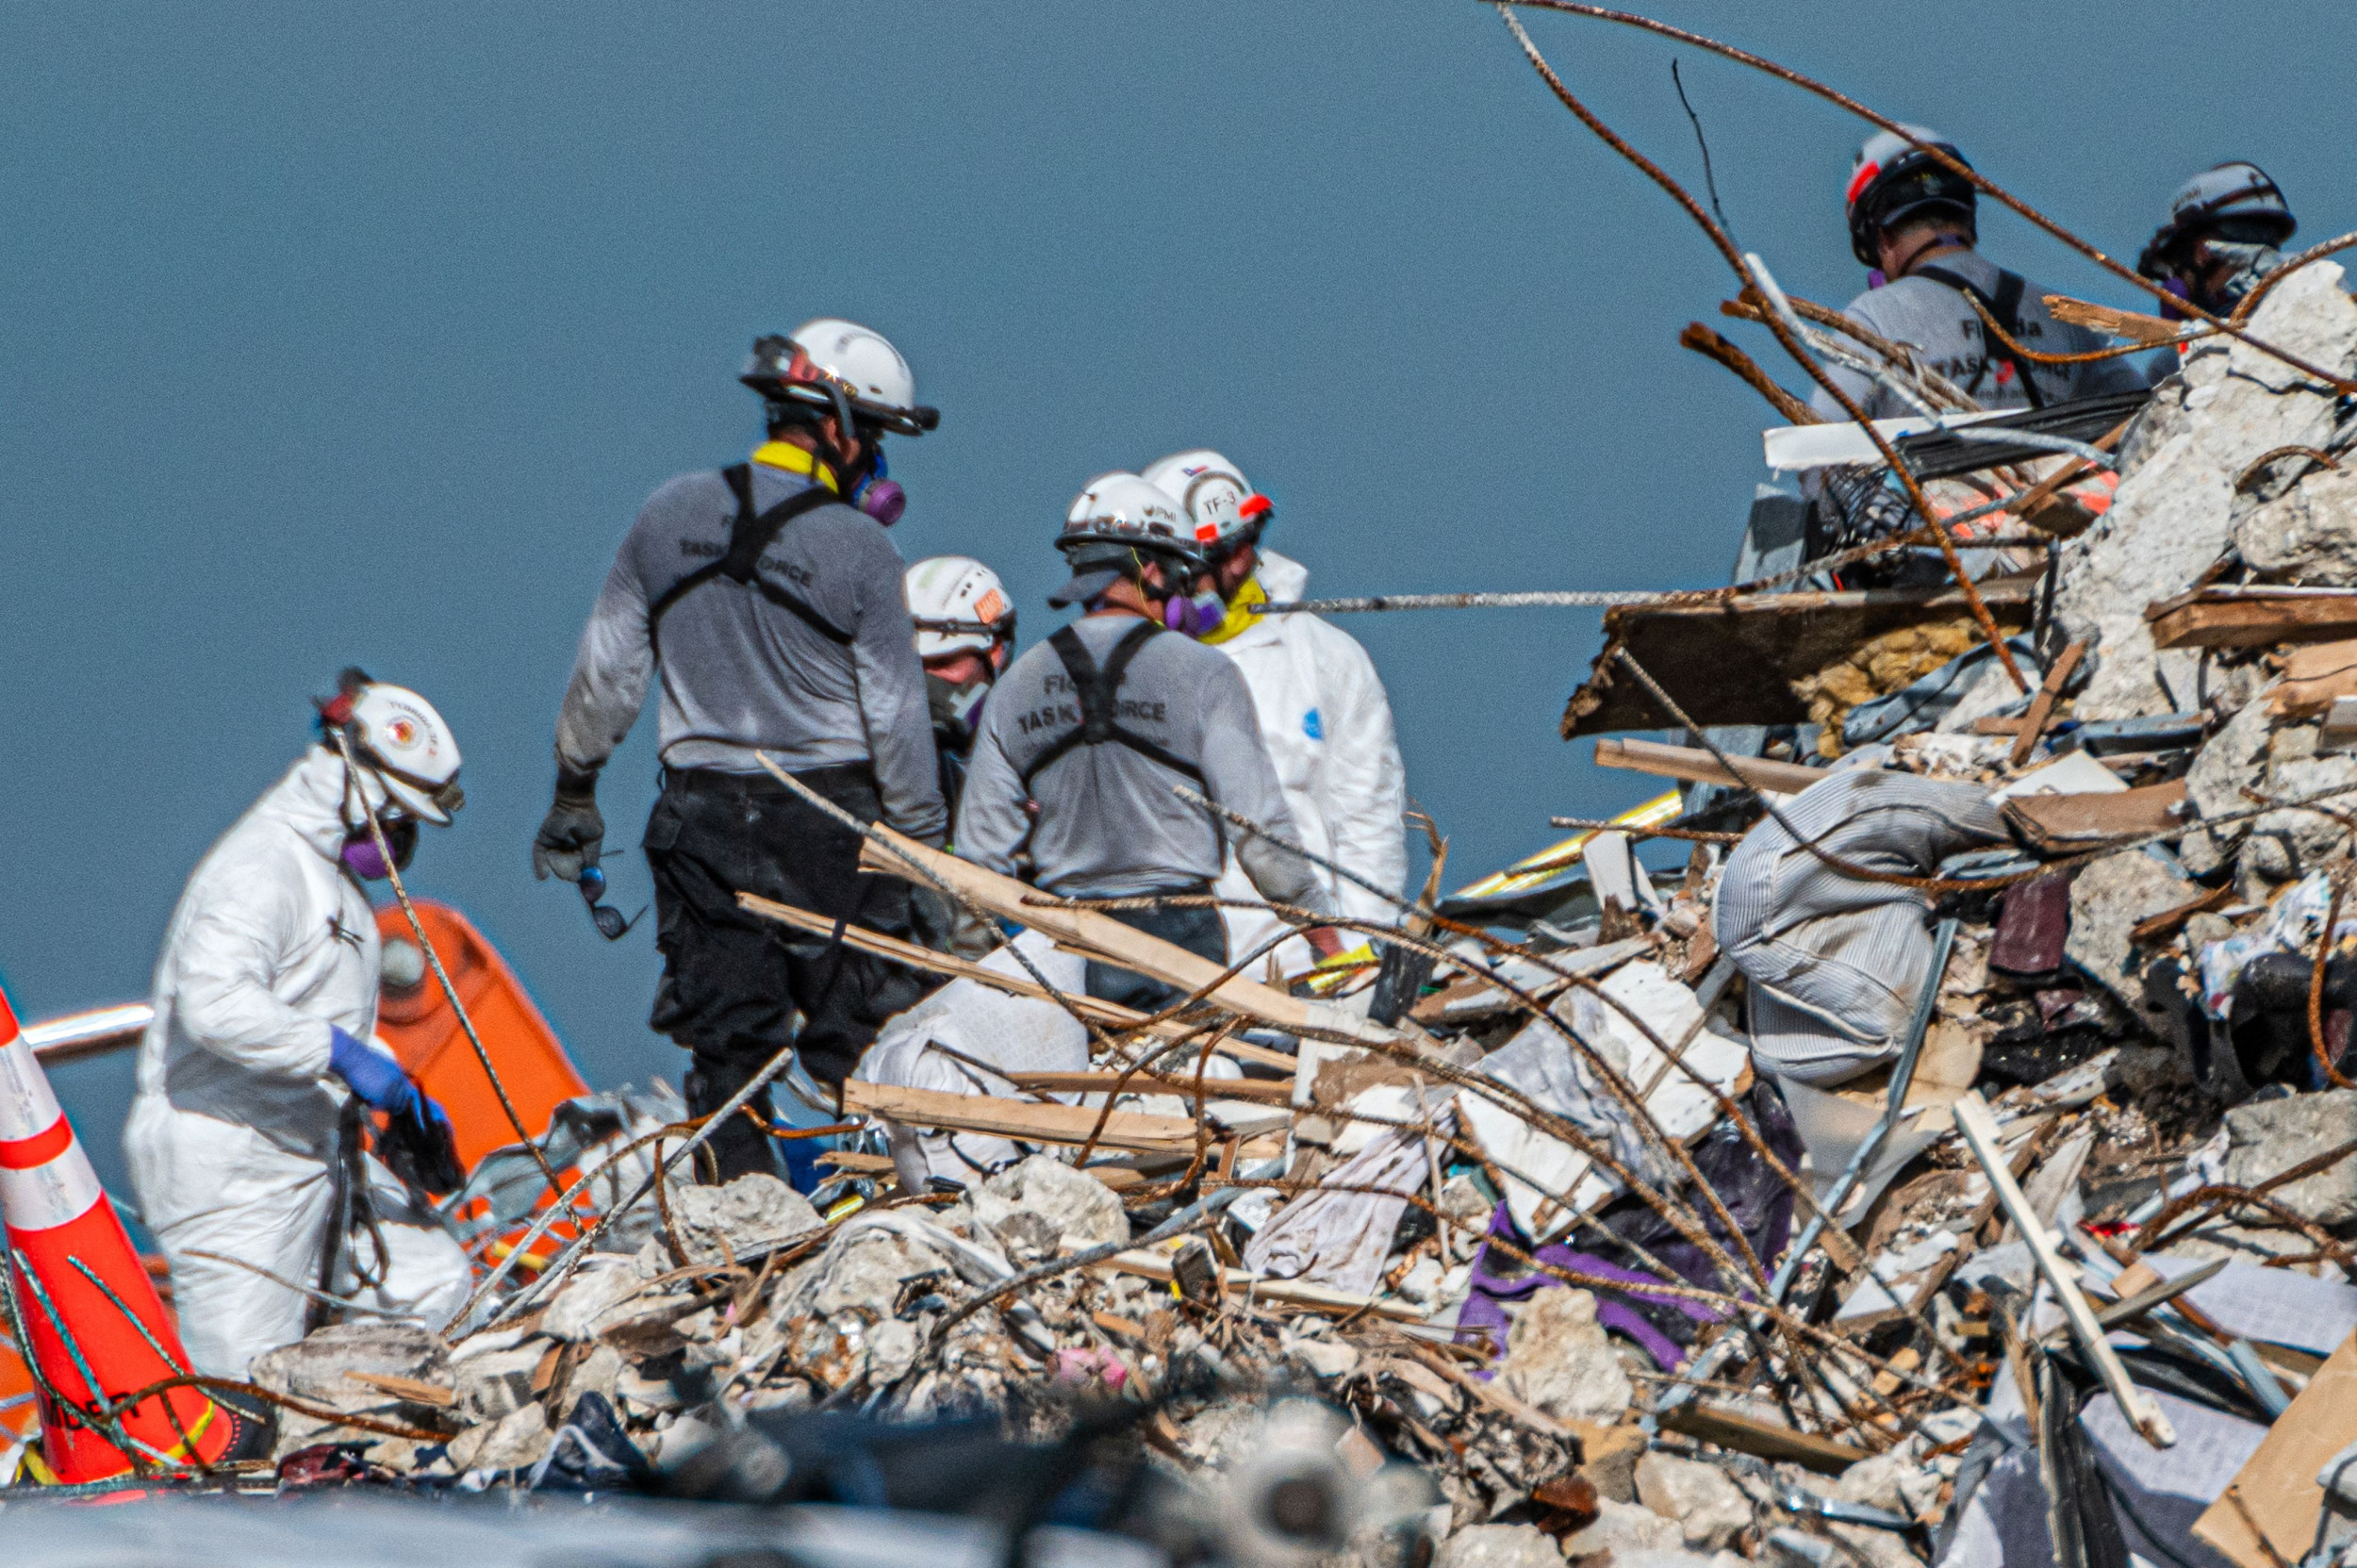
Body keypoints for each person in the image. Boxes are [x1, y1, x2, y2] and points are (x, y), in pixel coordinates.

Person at [535, 319, 947, 1182]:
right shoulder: (863, 548)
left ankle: (741, 1234)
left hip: (701, 818)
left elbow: (606, 675)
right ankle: (864, 1206)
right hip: (835, 823)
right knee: (863, 1039)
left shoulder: (666, 515)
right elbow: (901, 727)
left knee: (727, 1050)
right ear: (837, 424)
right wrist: (925, 865)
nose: (875, 461)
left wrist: (576, 792)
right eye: (872, 438)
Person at [124, 671, 473, 1378]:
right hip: (231, 1167)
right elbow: (215, 1004)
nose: (401, 843)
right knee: (243, 1388)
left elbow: (318, 1012)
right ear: (365, 795)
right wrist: (341, 1054)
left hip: (311, 1151)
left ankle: (359, 1450)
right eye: (399, 819)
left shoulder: (334, 889)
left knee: (435, 1285)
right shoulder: (260, 868)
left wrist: (396, 1096)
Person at [953, 473, 1344, 1011]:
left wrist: (977, 982)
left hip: (1065, 950)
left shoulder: (1016, 688)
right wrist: (1327, 942)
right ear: (1153, 569)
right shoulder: (1204, 674)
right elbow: (1259, 830)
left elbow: (978, 859)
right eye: (1183, 575)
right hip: (1178, 939)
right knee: (1187, 1083)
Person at [1138, 450, 1407, 984]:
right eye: (1218, 553)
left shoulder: (1324, 656)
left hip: (1313, 968)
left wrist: (1360, 957)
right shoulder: (1124, 669)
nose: (1239, 564)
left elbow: (1368, 819)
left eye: (1247, 543)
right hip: (1178, 980)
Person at [1813, 125, 2146, 422]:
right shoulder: (2063, 317)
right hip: (2065, 491)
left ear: (1883, 241)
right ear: (1969, 221)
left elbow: (1819, 452)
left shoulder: (1873, 319)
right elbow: (2146, 416)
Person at [2136, 161, 2299, 384]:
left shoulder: (2178, 364)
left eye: (2178, 266)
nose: (2178, 281)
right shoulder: (2322, 287)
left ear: (2203, 250)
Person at [904, 554, 1017, 833]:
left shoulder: (1030, 754)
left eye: (942, 663)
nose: (927, 683)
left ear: (995, 651)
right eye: (913, 666)